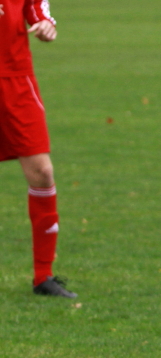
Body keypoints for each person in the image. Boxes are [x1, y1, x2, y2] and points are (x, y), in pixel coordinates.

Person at [0, 0, 76, 298]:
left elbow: (35, 8)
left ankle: (43, 276)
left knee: (42, 172)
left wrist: (44, 22)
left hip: (16, 78)